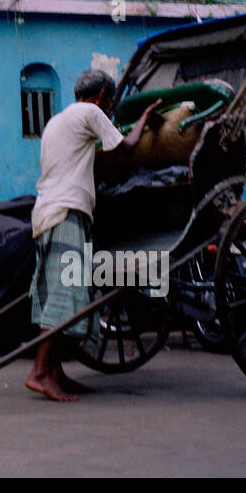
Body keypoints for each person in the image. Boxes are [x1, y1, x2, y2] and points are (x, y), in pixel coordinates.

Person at [25, 69, 161, 402]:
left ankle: (55, 373)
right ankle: (40, 373)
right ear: (101, 96)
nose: (111, 107)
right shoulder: (91, 112)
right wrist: (144, 117)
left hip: (46, 212)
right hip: (67, 212)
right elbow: (126, 147)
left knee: (54, 291)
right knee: (63, 293)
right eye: (111, 101)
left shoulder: (58, 121)